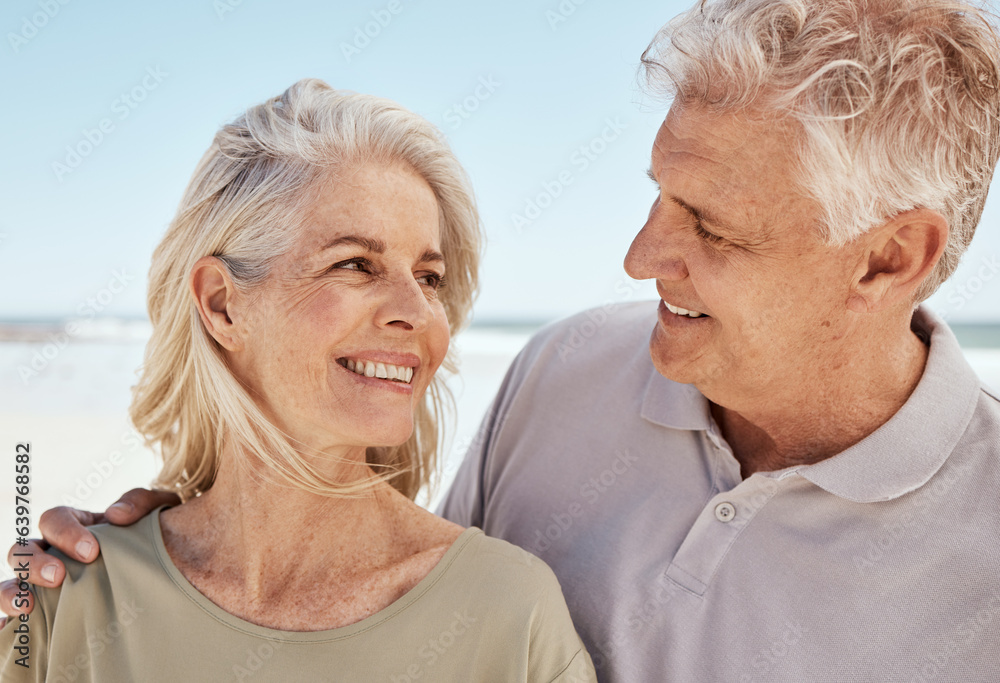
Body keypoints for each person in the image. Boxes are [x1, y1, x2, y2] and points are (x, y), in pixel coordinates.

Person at [8, 0, 1000, 680]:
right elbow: (375, 593)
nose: (638, 255)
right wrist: (163, 535)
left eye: (711, 223)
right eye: (657, 194)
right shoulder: (566, 375)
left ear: (885, 260)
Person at [0, 78, 596, 682]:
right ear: (223, 305)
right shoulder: (68, 598)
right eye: (355, 264)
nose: (415, 312)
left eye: (429, 276)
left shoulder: (509, 614)